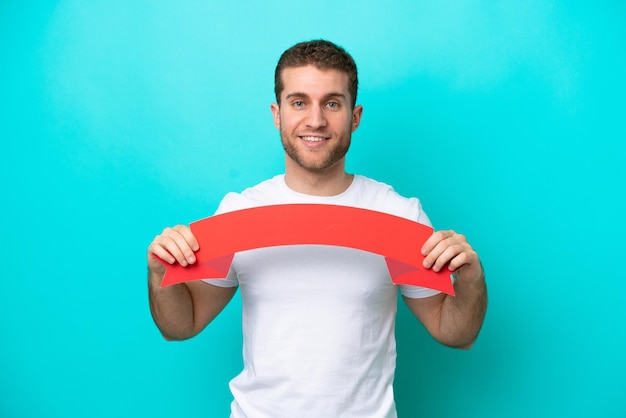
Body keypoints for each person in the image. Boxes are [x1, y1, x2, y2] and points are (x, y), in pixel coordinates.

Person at [148, 39, 487, 418]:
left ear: (354, 116)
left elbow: (455, 333)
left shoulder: (397, 214)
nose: (315, 120)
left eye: (331, 103)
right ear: (277, 114)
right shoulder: (239, 211)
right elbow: (180, 325)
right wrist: (161, 273)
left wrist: (470, 283)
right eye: (299, 102)